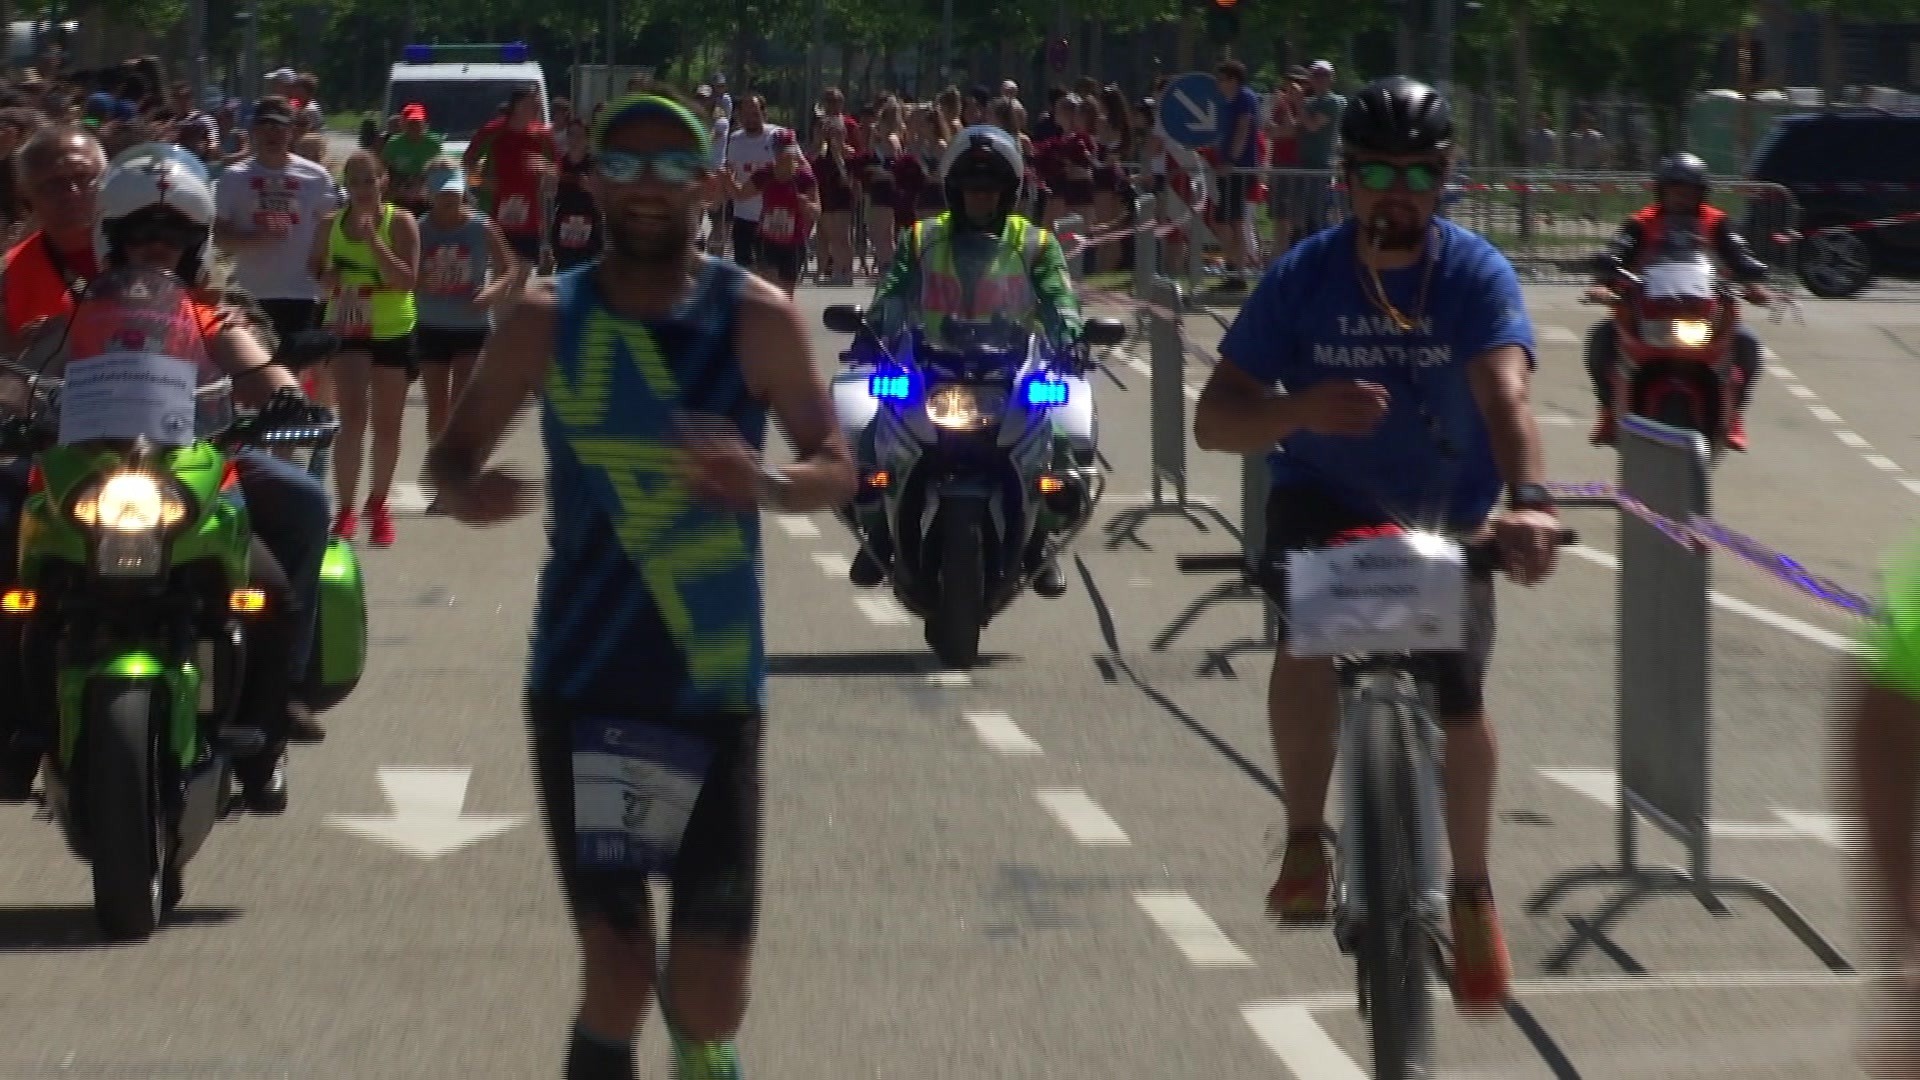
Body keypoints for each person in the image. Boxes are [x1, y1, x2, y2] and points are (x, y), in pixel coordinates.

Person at [422, 91, 854, 1080]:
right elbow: (450, 453)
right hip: (587, 682)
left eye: (670, 166)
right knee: (618, 969)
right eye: (623, 165)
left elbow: (835, 464)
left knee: (709, 996)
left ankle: (702, 1049)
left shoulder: (756, 316)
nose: (647, 186)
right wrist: (467, 489)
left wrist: (766, 483)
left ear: (709, 184)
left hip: (712, 684)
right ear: (592, 182)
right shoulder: (547, 319)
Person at [1191, 77, 1564, 1013]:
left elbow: (1507, 396)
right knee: (1305, 639)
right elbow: (1216, 421)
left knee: (1460, 696)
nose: (1398, 194)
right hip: (1323, 501)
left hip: (1447, 510)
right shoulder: (1303, 277)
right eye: (1379, 175)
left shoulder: (1475, 274)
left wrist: (1531, 503)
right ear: (1346, 179)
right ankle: (1305, 838)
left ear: (1446, 179)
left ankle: (1472, 892)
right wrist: (1301, 410)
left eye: (1420, 175)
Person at [0, 136, 332, 812]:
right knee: (15, 577)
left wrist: (285, 395)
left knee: (291, 520)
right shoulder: (57, 301)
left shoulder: (204, 300)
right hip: (77, 463)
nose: (158, 247)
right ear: (112, 236)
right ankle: (14, 728)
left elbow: (248, 350)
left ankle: (270, 725)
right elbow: (16, 372)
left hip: (197, 460)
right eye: (141, 235)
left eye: (174, 236)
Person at [851, 124, 1083, 598]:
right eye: (972, 187)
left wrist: (1072, 338)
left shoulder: (1036, 244)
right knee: (873, 441)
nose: (981, 196)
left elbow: (1060, 298)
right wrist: (869, 331)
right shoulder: (921, 238)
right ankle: (877, 535)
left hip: (1011, 367)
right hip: (933, 363)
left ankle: (1040, 541)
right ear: (954, 189)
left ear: (1009, 191)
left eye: (991, 187)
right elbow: (892, 291)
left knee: (1057, 447)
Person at [1583, 151, 1771, 450]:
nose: (1681, 197)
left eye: (1688, 191)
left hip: (1706, 309)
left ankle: (1734, 414)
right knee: (1601, 339)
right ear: (1662, 192)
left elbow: (1739, 255)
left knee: (1747, 343)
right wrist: (1601, 284)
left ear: (1701, 193)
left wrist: (1753, 284)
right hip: (1648, 308)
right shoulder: (1641, 222)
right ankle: (1608, 413)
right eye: (1674, 190)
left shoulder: (1718, 222)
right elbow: (1618, 252)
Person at [309, 150, 419, 548]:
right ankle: (345, 509)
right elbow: (314, 266)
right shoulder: (330, 224)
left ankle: (379, 503)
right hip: (348, 325)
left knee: (388, 424)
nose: (362, 189)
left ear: (382, 181)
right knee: (352, 418)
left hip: (392, 326)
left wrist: (374, 240)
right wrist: (327, 276)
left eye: (368, 181)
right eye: (354, 182)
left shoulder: (401, 222)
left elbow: (407, 279)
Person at [414, 159, 517, 445]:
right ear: (429, 193)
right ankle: (438, 463)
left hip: (471, 326)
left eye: (454, 192)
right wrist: (420, 281)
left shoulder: (482, 226)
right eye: (442, 193)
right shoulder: (419, 228)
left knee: (462, 405)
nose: (449, 199)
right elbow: (404, 271)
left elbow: (508, 268)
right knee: (437, 408)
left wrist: (491, 293)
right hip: (430, 325)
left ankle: (458, 466)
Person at [463, 88, 557, 268]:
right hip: (493, 211)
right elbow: (466, 163)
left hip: (529, 216)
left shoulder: (543, 135)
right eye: (533, 103)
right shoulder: (492, 131)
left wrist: (545, 168)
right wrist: (480, 182)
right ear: (518, 106)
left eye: (538, 103)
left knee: (523, 271)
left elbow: (555, 172)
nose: (538, 107)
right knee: (502, 269)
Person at [726, 129, 816, 295]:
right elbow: (740, 195)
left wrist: (807, 205)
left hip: (794, 241)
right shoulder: (765, 174)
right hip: (768, 239)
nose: (782, 154)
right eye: (778, 150)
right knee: (772, 290)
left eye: (786, 149)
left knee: (787, 293)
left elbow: (817, 211)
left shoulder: (804, 177)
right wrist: (727, 180)